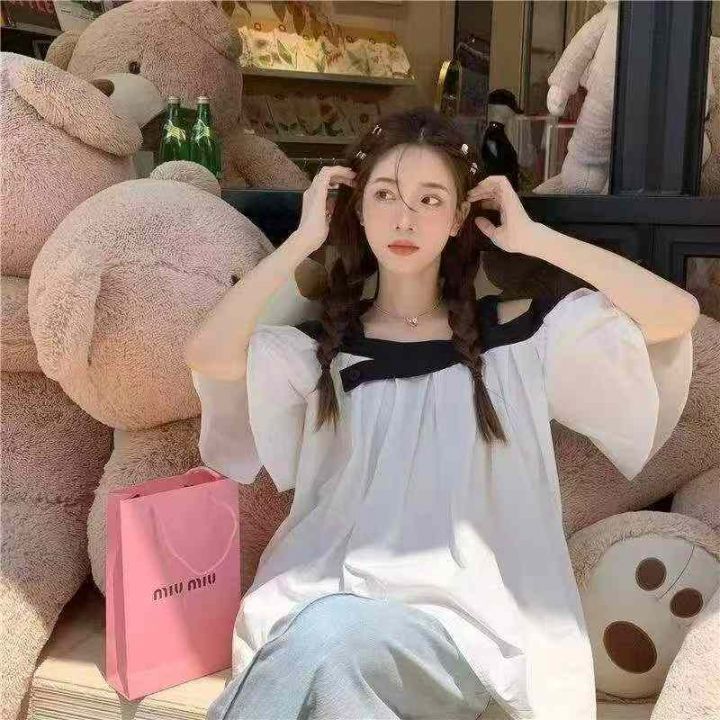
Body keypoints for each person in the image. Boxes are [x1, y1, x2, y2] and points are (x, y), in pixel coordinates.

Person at [184, 107, 699, 720]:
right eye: (384, 195)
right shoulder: (325, 350)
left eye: (430, 199)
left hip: (464, 629)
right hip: (317, 607)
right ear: (356, 209)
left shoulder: (518, 341)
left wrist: (534, 239)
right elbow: (208, 355)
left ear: (458, 218)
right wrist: (303, 241)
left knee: (327, 642)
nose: (404, 218)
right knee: (326, 653)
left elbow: (673, 315)